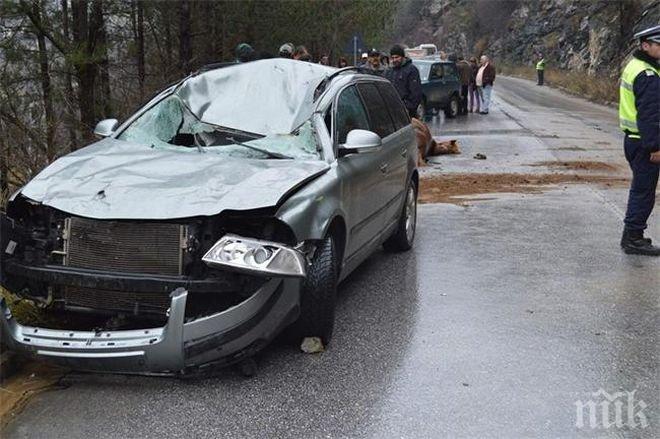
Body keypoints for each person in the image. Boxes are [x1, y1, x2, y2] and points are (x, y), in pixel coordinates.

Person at [618, 25, 660, 256]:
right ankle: (634, 238)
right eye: (659, 44)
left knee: (641, 190)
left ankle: (632, 235)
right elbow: (650, 115)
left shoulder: (636, 67)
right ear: (646, 45)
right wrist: (655, 146)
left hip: (634, 140)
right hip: (644, 143)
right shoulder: (647, 74)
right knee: (643, 191)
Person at [385, 44, 422, 118]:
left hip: (407, 112)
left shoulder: (411, 70)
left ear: (402, 57)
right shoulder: (389, 72)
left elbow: (416, 93)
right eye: (393, 58)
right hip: (392, 111)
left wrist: (408, 107)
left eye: (397, 57)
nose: (395, 60)